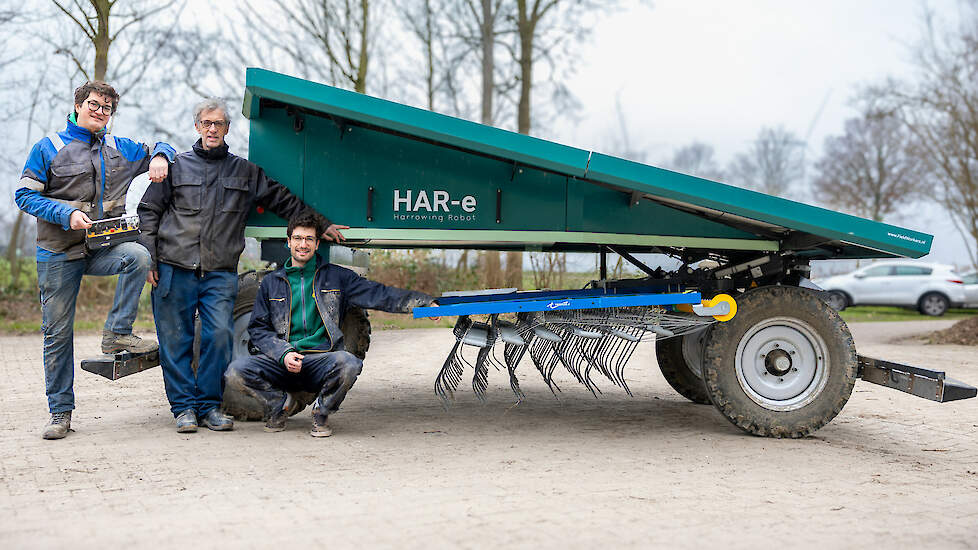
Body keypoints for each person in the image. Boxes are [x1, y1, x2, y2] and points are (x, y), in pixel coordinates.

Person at [138, 98, 347, 434]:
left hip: (219, 272)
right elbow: (148, 212)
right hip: (174, 267)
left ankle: (208, 407)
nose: (212, 129)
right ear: (197, 127)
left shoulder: (245, 172)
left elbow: (283, 199)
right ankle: (183, 409)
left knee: (219, 337)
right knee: (176, 340)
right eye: (206, 123)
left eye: (218, 123)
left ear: (227, 129)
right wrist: (149, 256)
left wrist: (318, 224)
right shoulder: (177, 167)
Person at [15, 80, 175, 440]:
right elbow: (24, 195)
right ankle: (60, 413)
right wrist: (63, 213)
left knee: (137, 254)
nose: (100, 112)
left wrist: (162, 157)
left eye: (107, 108)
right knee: (57, 334)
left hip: (101, 248)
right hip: (58, 252)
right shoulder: (49, 147)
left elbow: (161, 146)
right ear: (77, 105)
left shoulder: (121, 149)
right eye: (94, 104)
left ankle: (116, 334)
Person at [225, 211, 437, 437]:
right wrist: (283, 353)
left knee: (349, 364)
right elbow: (258, 328)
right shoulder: (271, 283)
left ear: (317, 244)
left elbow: (379, 294)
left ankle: (321, 412)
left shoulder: (337, 278)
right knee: (235, 372)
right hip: (283, 362)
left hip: (320, 361)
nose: (302, 244)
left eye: (308, 239)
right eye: (297, 238)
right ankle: (278, 405)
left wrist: (423, 303)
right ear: (288, 242)